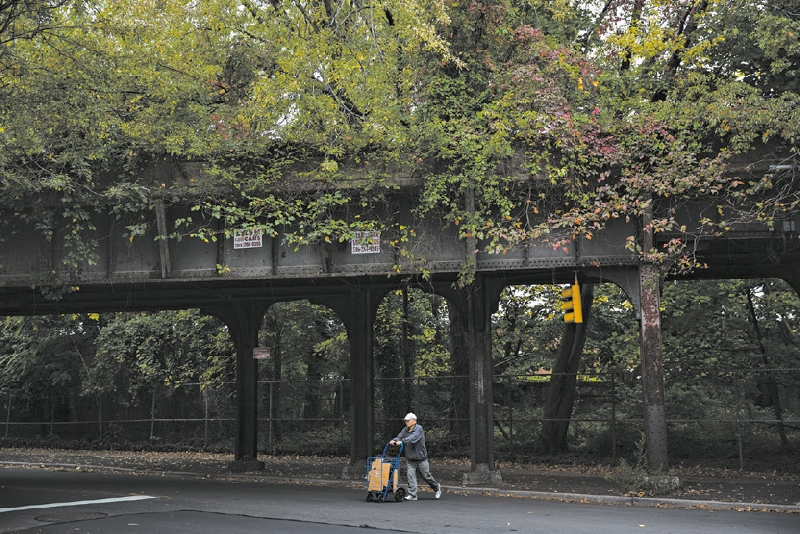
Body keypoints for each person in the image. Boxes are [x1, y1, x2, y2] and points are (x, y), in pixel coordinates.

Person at [390, 412, 442, 501]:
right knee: (410, 476)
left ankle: (437, 488)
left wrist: (402, 442)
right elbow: (399, 436)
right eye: (405, 421)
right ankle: (412, 495)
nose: (406, 422)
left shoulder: (419, 429)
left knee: (426, 476)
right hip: (410, 458)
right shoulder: (405, 430)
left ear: (414, 420)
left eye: (408, 420)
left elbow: (413, 439)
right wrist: (394, 440)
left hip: (421, 458)